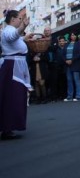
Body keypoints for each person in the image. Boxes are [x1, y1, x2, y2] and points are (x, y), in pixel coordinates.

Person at [0, 10, 33, 140]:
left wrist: (23, 38)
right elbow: (12, 36)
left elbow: (14, 40)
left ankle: (8, 127)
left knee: (13, 97)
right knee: (12, 97)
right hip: (12, 68)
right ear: (13, 19)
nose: (21, 20)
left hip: (15, 66)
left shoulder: (9, 30)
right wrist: (23, 27)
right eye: (19, 18)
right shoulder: (8, 30)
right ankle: (7, 128)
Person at [63, 32, 80, 102]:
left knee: (76, 80)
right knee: (69, 80)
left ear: (76, 36)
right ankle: (69, 96)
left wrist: (72, 60)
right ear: (70, 36)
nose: (73, 36)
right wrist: (66, 60)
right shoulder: (67, 44)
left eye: (74, 35)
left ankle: (78, 96)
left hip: (75, 63)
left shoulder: (78, 43)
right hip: (67, 64)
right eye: (71, 35)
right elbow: (63, 54)